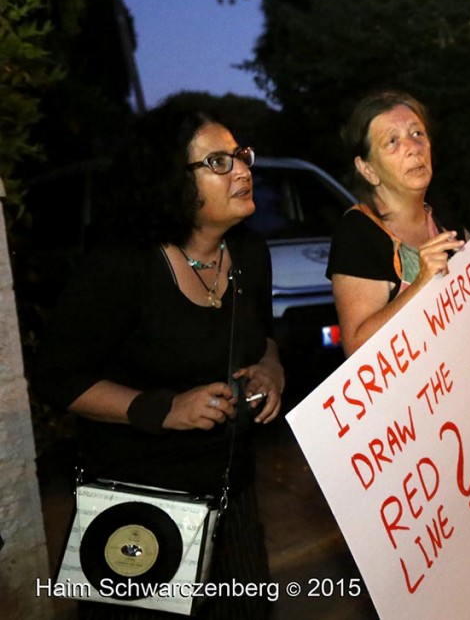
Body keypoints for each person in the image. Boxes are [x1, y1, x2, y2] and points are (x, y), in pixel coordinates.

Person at [34, 103, 284, 619]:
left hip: (231, 494)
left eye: (240, 155)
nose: (242, 169)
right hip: (141, 508)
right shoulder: (123, 266)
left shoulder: (251, 254)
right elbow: (57, 376)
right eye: (218, 162)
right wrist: (165, 409)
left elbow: (266, 339)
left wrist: (271, 371)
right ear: (171, 180)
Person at [328, 90, 464, 355]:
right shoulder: (358, 234)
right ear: (368, 170)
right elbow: (356, 347)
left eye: (417, 134)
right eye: (392, 141)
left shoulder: (445, 217)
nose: (413, 148)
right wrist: (421, 282)